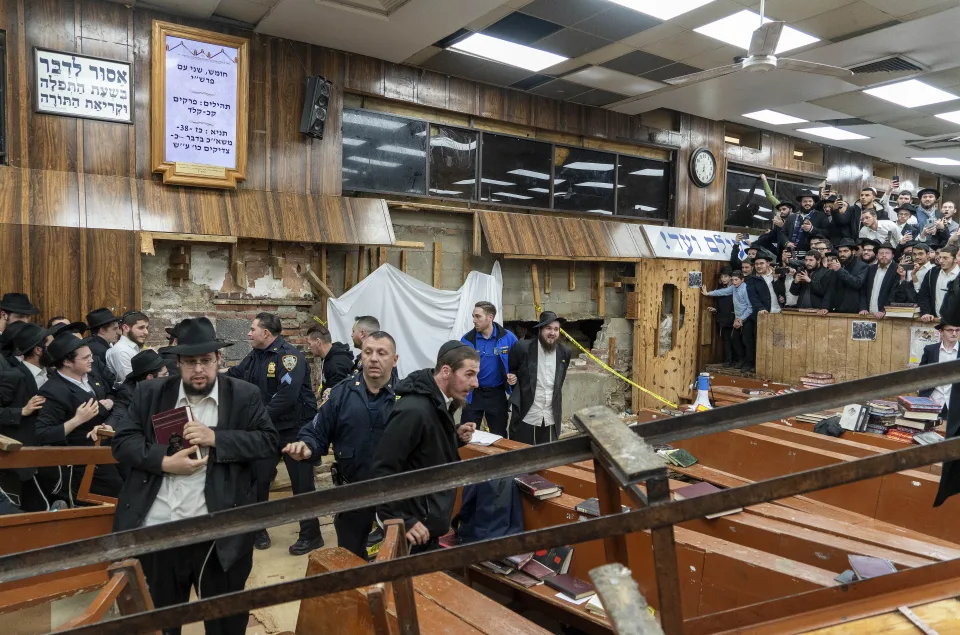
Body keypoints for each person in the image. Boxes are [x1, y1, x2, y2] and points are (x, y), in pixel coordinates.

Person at [111, 317, 278, 635]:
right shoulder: (150, 394)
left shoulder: (244, 396)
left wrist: (216, 438)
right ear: (178, 363)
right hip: (159, 530)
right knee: (160, 621)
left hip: (217, 535)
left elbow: (267, 441)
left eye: (205, 361)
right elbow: (123, 441)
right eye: (190, 362)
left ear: (219, 359)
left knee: (225, 620)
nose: (198, 370)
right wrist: (164, 462)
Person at [283, 331, 399, 559]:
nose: (374, 358)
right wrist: (307, 446)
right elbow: (316, 432)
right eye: (368, 352)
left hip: (394, 498)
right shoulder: (340, 395)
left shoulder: (407, 397)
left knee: (393, 563)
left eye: (381, 353)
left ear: (394, 360)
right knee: (350, 560)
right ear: (361, 356)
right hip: (352, 495)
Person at [226, 312, 320, 554]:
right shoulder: (256, 355)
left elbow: (287, 396)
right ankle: (259, 529)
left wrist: (257, 419)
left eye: (252, 329)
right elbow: (237, 375)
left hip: (294, 430)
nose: (248, 333)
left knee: (302, 485)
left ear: (265, 333)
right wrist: (213, 373)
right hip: (268, 431)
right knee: (259, 480)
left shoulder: (289, 357)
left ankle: (311, 535)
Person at [369, 341, 477, 551]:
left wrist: (454, 438)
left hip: (427, 527)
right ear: (446, 371)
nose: (476, 383)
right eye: (469, 374)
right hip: (411, 531)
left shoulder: (439, 402)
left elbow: (424, 451)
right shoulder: (415, 410)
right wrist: (400, 519)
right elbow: (383, 469)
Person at [35, 333, 123, 502]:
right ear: (67, 362)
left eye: (91, 355)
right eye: (86, 358)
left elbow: (113, 395)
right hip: (84, 463)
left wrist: (109, 403)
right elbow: (42, 434)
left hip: (110, 449)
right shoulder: (53, 391)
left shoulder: (91, 377)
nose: (92, 360)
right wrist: (77, 420)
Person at [0, 324, 63, 512]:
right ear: (38, 350)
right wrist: (22, 411)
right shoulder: (13, 376)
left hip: (48, 452)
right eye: (50, 345)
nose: (54, 349)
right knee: (36, 506)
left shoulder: (51, 374)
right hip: (21, 457)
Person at [508, 311, 571, 445]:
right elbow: (512, 369)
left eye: (556, 329)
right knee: (521, 453)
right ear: (540, 329)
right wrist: (512, 378)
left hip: (550, 415)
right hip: (528, 413)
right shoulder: (523, 348)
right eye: (548, 328)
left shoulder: (564, 352)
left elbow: (559, 382)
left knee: (547, 456)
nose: (552, 333)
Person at [459, 302, 518, 437]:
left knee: (499, 435)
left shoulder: (507, 338)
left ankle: (499, 458)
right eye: (473, 316)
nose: (474, 320)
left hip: (496, 394)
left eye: (478, 316)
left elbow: (519, 361)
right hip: (473, 395)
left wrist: (514, 376)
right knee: (467, 434)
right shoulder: (467, 340)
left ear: (490, 317)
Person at [107, 350, 169, 430]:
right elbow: (119, 412)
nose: (168, 377)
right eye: (164, 374)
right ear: (150, 377)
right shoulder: (128, 392)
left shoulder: (167, 386)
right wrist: (109, 426)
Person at [702, 269, 747, 367]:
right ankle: (730, 360)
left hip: (737, 317)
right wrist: (709, 294)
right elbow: (721, 294)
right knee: (728, 339)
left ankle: (740, 360)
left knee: (737, 339)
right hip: (727, 318)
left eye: (726, 276)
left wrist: (740, 318)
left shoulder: (743, 289)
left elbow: (748, 306)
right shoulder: (730, 289)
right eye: (722, 276)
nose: (723, 279)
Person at [918, 320, 959, 417]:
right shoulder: (930, 350)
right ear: (941, 332)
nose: (954, 333)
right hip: (932, 400)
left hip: (955, 403)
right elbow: (921, 374)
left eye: (957, 330)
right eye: (950, 330)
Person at [305, 324, 353, 398]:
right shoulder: (329, 358)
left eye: (309, 344)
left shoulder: (336, 364)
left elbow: (339, 397)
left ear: (318, 342)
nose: (308, 348)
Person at [919, 244, 960, 322]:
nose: (941, 261)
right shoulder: (932, 272)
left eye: (945, 258)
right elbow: (924, 294)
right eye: (940, 257)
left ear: (955, 259)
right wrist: (926, 312)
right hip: (935, 320)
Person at [827, 238, 869, 314]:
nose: (842, 254)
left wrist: (840, 270)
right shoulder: (838, 265)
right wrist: (825, 307)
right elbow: (831, 288)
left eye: (845, 251)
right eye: (840, 251)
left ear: (853, 251)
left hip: (855, 310)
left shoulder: (863, 266)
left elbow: (857, 283)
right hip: (836, 309)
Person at [106, 311, 150, 383]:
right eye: (141, 328)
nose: (146, 332)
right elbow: (130, 383)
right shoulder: (121, 351)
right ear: (126, 328)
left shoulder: (132, 347)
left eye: (147, 328)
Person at [85, 308, 122, 387]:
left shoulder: (91, 343)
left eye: (118, 328)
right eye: (114, 328)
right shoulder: (101, 351)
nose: (118, 332)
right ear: (102, 331)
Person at [861, 243, 899, 319]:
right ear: (877, 256)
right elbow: (863, 289)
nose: (884, 255)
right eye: (881, 253)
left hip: (886, 315)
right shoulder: (870, 269)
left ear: (892, 256)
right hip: (868, 313)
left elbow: (894, 292)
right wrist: (863, 307)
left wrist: (884, 310)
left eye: (887, 253)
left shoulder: (897, 269)